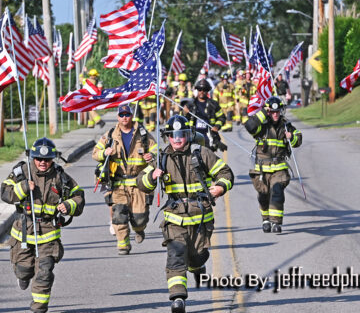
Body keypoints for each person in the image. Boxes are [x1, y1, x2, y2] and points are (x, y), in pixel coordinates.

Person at [137, 115, 234, 313]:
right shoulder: (161, 157)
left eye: (181, 135)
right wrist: (151, 175)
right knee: (176, 255)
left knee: (198, 256)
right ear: (168, 137)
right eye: (173, 135)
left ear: (188, 135)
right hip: (174, 218)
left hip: (200, 218)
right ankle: (178, 298)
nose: (178, 139)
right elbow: (142, 183)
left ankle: (196, 266)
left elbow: (226, 173)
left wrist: (220, 188)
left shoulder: (202, 154)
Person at [1, 137, 85, 313]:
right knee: (24, 271)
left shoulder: (60, 176)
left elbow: (78, 195)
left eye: (47, 160)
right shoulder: (21, 172)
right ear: (33, 157)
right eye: (38, 159)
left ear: (52, 159)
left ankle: (39, 307)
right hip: (23, 233)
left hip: (48, 234)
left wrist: (69, 205)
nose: (42, 162)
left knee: (44, 272)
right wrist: (23, 187)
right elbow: (5, 193)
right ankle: (22, 275)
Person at [92, 105, 157, 255]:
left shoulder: (143, 134)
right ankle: (123, 244)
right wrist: (104, 152)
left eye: (127, 114)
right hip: (118, 184)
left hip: (138, 183)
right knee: (119, 214)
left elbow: (156, 149)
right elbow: (95, 153)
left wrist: (151, 156)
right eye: (122, 115)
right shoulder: (109, 135)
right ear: (118, 117)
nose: (125, 117)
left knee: (140, 218)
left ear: (131, 116)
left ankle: (139, 230)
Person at [244, 96, 302, 233]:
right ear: (268, 111)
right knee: (263, 195)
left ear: (281, 111)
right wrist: (263, 112)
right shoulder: (261, 127)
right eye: (272, 112)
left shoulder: (286, 126)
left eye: (277, 112)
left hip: (279, 169)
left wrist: (291, 137)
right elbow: (249, 126)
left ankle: (276, 223)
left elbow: (298, 139)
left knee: (277, 192)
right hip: (261, 171)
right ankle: (265, 219)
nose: (275, 114)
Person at [182, 79, 227, 151]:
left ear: (208, 91)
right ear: (197, 90)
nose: (202, 92)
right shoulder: (190, 105)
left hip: (209, 137)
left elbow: (221, 117)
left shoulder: (213, 104)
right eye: (200, 89)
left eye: (204, 89)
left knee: (208, 159)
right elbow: (183, 120)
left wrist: (217, 126)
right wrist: (185, 113)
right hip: (194, 137)